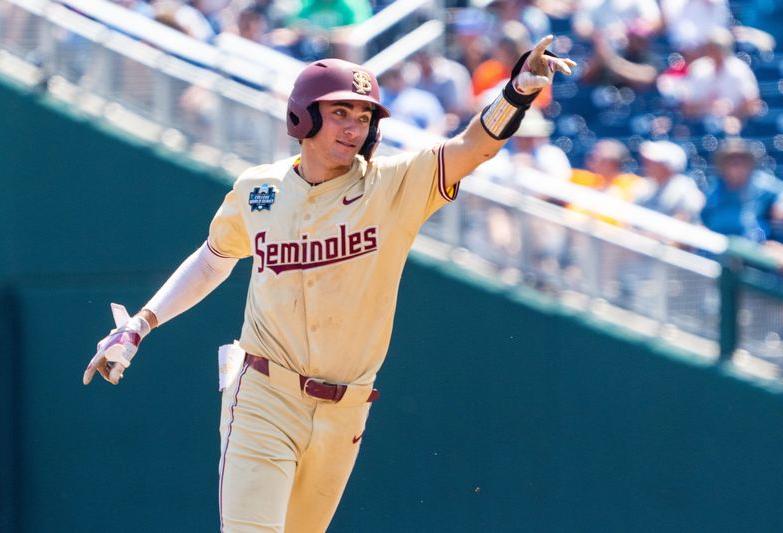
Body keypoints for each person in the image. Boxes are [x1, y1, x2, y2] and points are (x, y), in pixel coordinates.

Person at [83, 37, 576, 532]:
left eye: (364, 117)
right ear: (304, 116)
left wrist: (516, 92)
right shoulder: (259, 189)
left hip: (346, 408)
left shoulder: (394, 185)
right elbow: (214, 259)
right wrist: (141, 324)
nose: (354, 127)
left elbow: (474, 147)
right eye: (340, 111)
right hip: (263, 391)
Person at [700, 137, 783, 243]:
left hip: (755, 248)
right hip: (718, 247)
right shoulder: (714, 190)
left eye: (743, 161)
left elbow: (780, 196)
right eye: (731, 161)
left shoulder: (763, 184)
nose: (737, 165)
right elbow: (702, 220)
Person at [636, 139, 704, 222]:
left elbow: (683, 219)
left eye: (655, 163)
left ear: (667, 166)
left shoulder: (685, 188)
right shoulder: (643, 186)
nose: (647, 165)